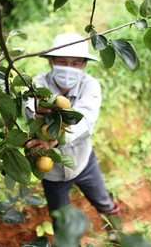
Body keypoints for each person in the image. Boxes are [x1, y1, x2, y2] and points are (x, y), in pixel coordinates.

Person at [24, 33, 122, 242]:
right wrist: (36, 109)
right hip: (53, 173)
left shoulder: (90, 86)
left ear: (84, 65)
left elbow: (86, 122)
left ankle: (117, 235)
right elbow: (27, 105)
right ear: (51, 62)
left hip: (83, 162)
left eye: (75, 63)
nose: (68, 67)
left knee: (103, 202)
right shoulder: (37, 85)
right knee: (60, 219)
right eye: (62, 62)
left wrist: (55, 138)